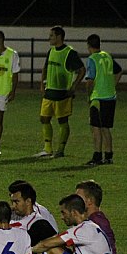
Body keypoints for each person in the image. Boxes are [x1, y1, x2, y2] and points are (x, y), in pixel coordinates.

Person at [32, 194, 113, 254]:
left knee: (53, 249)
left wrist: (29, 251)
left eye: (63, 213)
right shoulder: (91, 226)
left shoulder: (81, 230)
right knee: (58, 247)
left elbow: (46, 244)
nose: (62, 217)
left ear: (74, 212)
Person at [34, 26, 85, 159]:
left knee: (62, 121)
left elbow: (82, 70)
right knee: (44, 119)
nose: (49, 38)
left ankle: (60, 150)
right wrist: (42, 83)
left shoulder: (70, 53)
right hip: (49, 92)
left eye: (51, 35)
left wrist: (74, 86)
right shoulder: (51, 51)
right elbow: (45, 67)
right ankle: (47, 149)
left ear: (58, 37)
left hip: (62, 93)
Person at [75, 180, 127, 254]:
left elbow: (111, 252)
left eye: (78, 197)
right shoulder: (88, 219)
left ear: (89, 201)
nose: (74, 200)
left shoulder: (99, 223)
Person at [8, 181, 61, 254]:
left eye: (16, 202)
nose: (13, 206)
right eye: (12, 202)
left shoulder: (39, 224)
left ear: (28, 201)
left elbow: (57, 246)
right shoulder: (12, 214)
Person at [84, 34, 123, 166]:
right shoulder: (107, 56)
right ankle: (109, 156)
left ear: (88, 45)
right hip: (111, 97)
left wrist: (88, 96)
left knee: (96, 128)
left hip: (98, 98)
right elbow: (119, 71)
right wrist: (112, 85)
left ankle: (97, 157)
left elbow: (89, 81)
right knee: (106, 128)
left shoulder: (92, 59)